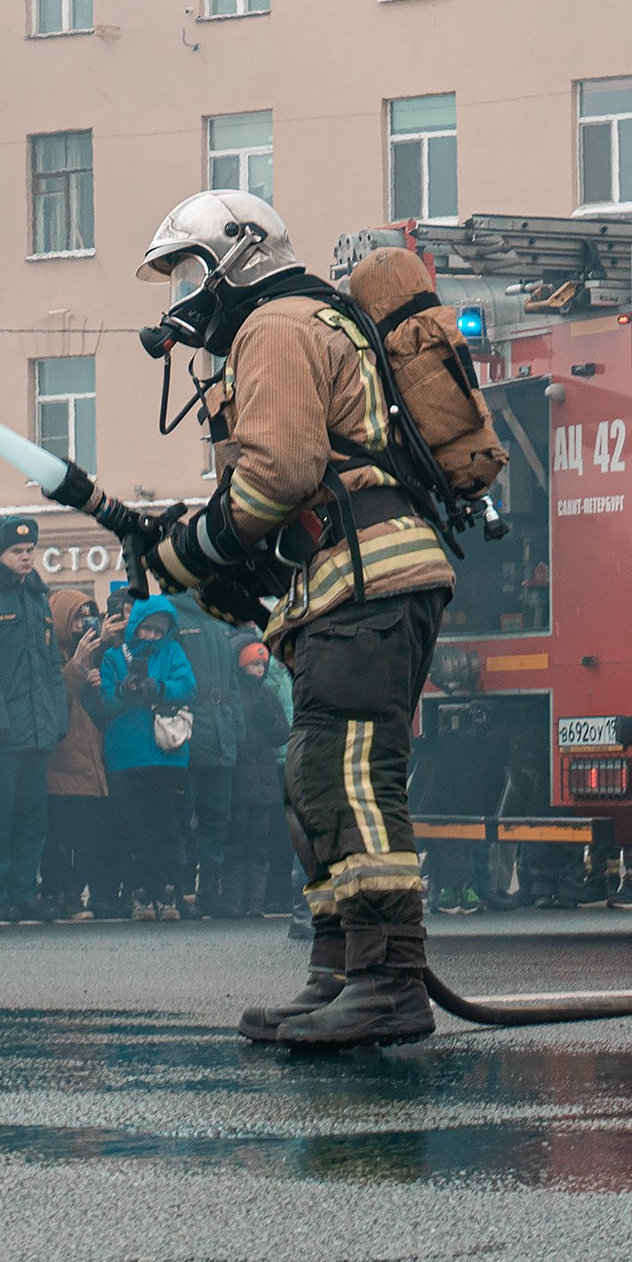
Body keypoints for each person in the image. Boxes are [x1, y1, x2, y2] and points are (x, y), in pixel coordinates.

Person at [134, 190, 457, 1047]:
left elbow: (278, 474)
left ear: (240, 255)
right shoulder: (298, 321)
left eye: (190, 272)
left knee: (349, 776)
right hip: (345, 584)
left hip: (368, 581)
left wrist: (187, 551)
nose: (183, 298)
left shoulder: (276, 324)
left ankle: (389, 981)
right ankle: (339, 971)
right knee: (315, 777)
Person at [0, 517, 67, 923]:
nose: (26, 558)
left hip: (36, 727)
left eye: (30, 551)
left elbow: (50, 664)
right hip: (2, 731)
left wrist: (56, 718)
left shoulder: (37, 596)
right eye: (16, 552)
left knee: (32, 816)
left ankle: (24, 892)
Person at [99, 595, 198, 920]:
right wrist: (124, 690)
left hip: (165, 754)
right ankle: (139, 893)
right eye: (147, 629)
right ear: (135, 627)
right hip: (126, 753)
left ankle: (166, 893)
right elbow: (105, 705)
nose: (154, 636)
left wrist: (158, 687)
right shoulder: (113, 657)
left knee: (166, 826)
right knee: (133, 827)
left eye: (159, 631)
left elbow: (189, 687)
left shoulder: (173, 652)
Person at [165, 592, 245, 918]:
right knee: (182, 819)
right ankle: (182, 893)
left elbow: (233, 684)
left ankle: (209, 893)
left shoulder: (219, 613)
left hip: (221, 733)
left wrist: (236, 730)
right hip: (187, 733)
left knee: (217, 820)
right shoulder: (172, 614)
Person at [45, 591, 116, 920]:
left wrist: (96, 680)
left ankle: (73, 894)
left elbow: (101, 713)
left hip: (90, 761)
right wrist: (76, 665)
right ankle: (59, 895)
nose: (81, 625)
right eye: (75, 617)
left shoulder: (92, 656)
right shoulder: (51, 655)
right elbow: (54, 699)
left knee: (87, 839)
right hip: (61, 764)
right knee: (62, 840)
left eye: (87, 617)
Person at [226, 638, 293, 920]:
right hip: (241, 783)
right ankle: (233, 901)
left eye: (262, 665)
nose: (259, 670)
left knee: (259, 846)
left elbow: (282, 734)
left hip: (263, 784)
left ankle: (255, 901)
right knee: (237, 844)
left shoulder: (266, 697)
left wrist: (269, 721)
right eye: (254, 664)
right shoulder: (233, 697)